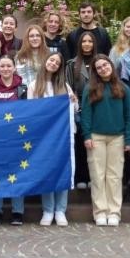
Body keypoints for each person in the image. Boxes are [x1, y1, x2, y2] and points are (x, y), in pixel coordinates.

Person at [79, 54, 130, 226]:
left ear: (111, 65)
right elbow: (86, 114)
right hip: (96, 137)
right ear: (95, 71)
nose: (103, 68)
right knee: (97, 175)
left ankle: (114, 212)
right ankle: (100, 212)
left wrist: (129, 138)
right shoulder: (90, 88)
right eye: (99, 67)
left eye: (105, 65)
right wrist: (87, 135)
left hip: (117, 138)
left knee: (114, 176)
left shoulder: (123, 88)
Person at [29, 51, 76, 226]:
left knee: (62, 169)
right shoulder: (35, 85)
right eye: (51, 60)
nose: (53, 64)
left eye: (57, 62)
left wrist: (72, 100)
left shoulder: (64, 85)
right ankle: (48, 210)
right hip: (43, 138)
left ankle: (60, 210)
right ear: (45, 61)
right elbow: (30, 111)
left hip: (62, 137)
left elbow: (74, 108)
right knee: (47, 171)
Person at [0, 55, 28, 225]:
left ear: (14, 68)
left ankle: (17, 211)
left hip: (17, 138)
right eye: (3, 66)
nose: (6, 69)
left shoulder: (23, 89)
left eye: (9, 65)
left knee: (18, 173)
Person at [66, 30, 97, 190]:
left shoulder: (99, 62)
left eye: (90, 41)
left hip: (97, 110)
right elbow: (69, 86)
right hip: (78, 111)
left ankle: (93, 177)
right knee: (79, 145)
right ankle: (81, 176)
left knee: (94, 145)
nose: (87, 44)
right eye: (84, 41)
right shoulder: (72, 64)